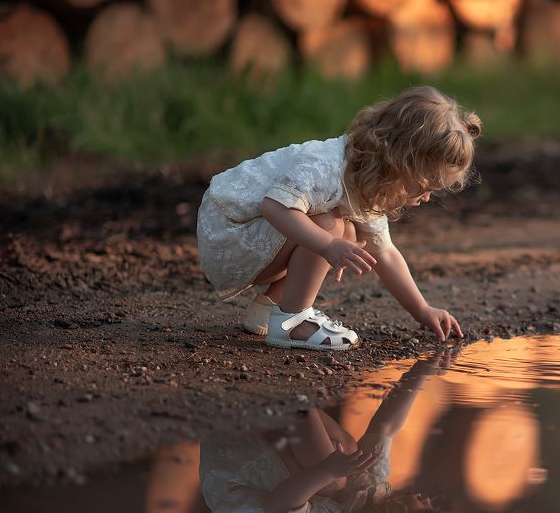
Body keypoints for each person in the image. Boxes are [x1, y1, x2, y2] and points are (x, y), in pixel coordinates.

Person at [196, 85, 481, 350]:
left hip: (254, 234)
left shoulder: (367, 181)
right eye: (424, 186)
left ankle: (269, 308)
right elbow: (274, 207)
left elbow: (385, 253)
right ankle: (292, 321)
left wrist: (422, 309)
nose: (426, 197)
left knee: (348, 234)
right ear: (401, 160)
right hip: (229, 231)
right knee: (329, 226)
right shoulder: (327, 166)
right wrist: (327, 245)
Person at [199, 353, 478, 513]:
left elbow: (277, 505)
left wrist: (327, 470)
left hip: (234, 474)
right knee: (351, 453)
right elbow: (385, 427)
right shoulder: (375, 494)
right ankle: (284, 396)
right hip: (265, 453)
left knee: (333, 480)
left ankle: (290, 396)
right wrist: (421, 371)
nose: (426, 500)